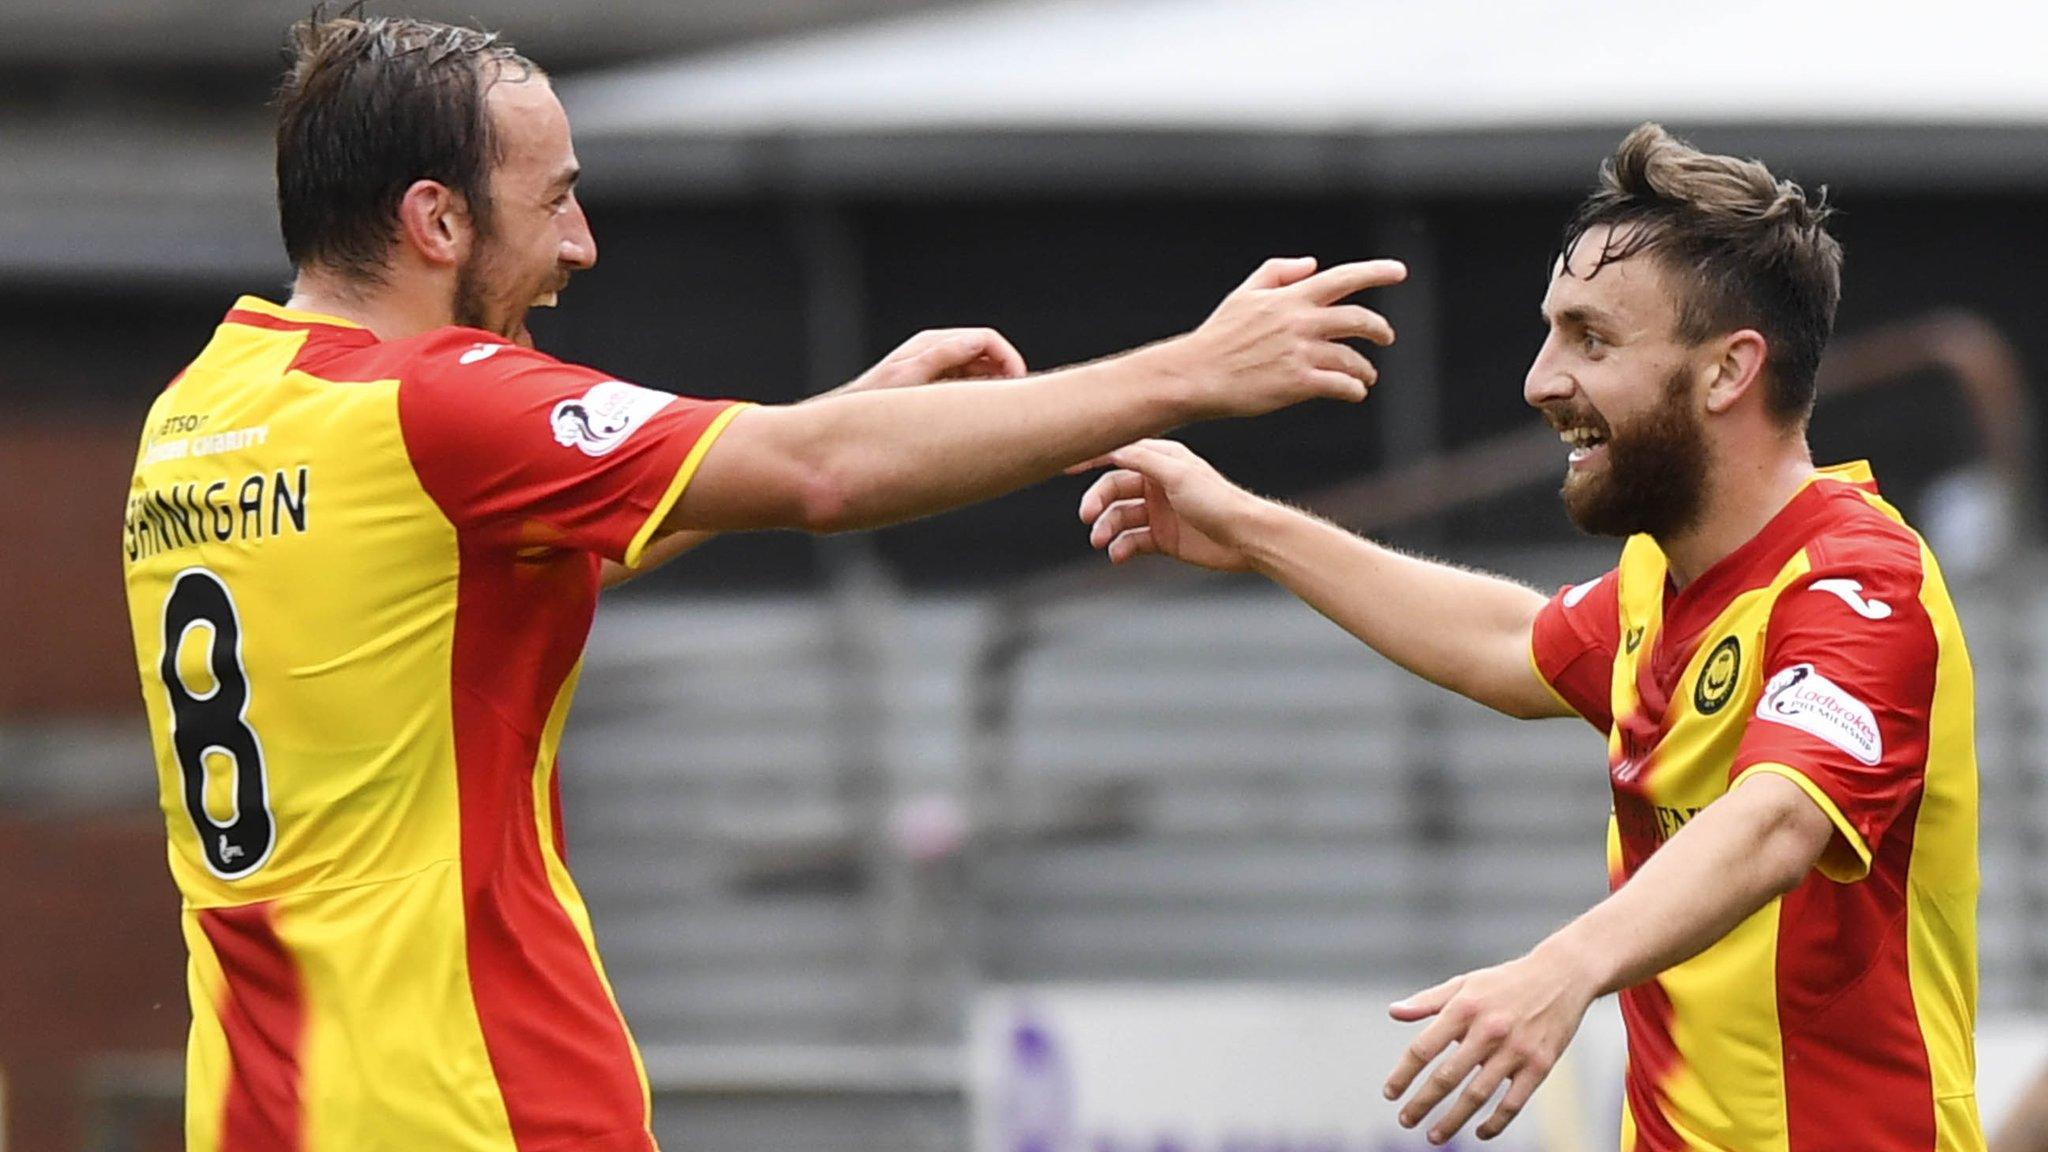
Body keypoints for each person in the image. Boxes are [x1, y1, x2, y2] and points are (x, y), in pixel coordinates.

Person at [119, 13, 1406, 1151]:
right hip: (472, 1093)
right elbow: (820, 479)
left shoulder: (205, 410)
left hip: (257, 1104)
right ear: (436, 219)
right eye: (552, 198)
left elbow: (476, 582)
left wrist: (838, 410)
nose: (581, 241)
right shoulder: (438, 405)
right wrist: (1193, 367)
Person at [1080, 123, 1981, 1151]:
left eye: (1590, 339)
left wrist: (1559, 972)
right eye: (1550, 334)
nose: (1538, 380)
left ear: (1727, 371)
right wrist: (1247, 526)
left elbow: (1777, 821)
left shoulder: (1856, 580)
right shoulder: (1663, 580)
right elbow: (1510, 645)